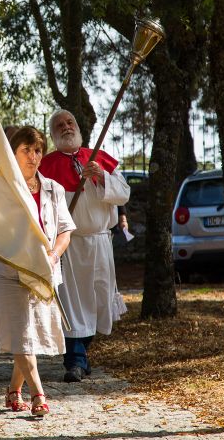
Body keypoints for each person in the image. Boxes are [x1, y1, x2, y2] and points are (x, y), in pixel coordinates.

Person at [0, 126, 75, 416]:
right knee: (21, 332)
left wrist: (52, 256)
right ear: (13, 153)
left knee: (28, 335)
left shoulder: (54, 188)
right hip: (6, 271)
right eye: (26, 150)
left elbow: (65, 231)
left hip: (42, 272)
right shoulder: (1, 189)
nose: (33, 156)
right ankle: (39, 394)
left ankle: (13, 390)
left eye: (37, 150)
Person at [39, 110, 130, 383]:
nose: (66, 127)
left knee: (97, 300)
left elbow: (124, 193)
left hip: (101, 241)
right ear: (53, 134)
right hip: (70, 243)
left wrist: (101, 177)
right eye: (59, 125)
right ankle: (75, 362)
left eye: (70, 123)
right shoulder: (46, 166)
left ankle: (83, 354)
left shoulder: (100, 159)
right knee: (72, 303)